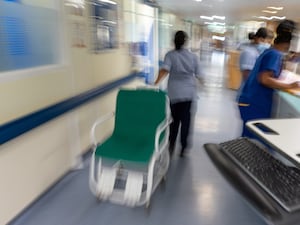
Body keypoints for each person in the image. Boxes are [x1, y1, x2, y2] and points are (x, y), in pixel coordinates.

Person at [237, 20, 300, 138]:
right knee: (254, 142)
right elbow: (264, 79)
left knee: (249, 139)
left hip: (249, 100)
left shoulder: (270, 51)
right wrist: (290, 86)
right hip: (255, 103)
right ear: (290, 43)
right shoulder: (274, 54)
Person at [154, 30, 201, 157]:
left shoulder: (170, 55)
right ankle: (184, 148)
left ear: (174, 41)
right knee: (186, 121)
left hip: (174, 94)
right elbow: (199, 74)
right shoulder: (193, 57)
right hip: (188, 94)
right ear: (185, 42)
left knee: (173, 120)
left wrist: (156, 83)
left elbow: (165, 70)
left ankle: (171, 143)